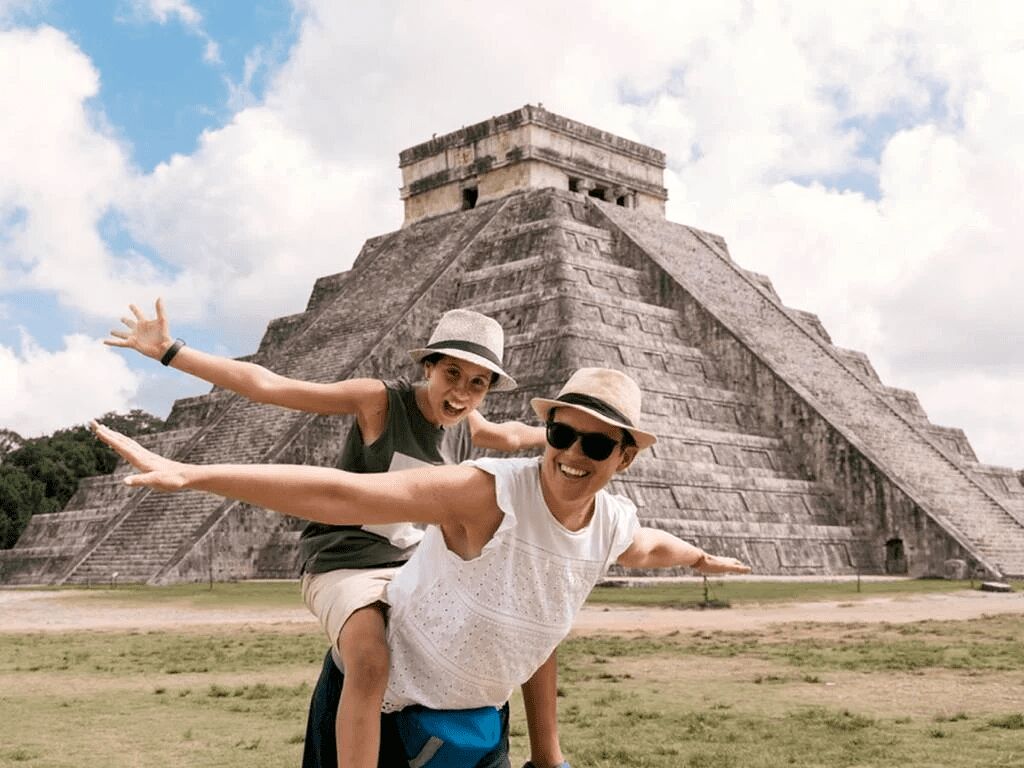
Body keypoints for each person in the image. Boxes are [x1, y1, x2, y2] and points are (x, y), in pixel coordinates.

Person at [91, 367, 751, 767]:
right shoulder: (485, 491)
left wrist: (698, 557)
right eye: (561, 433)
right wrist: (196, 474)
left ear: (625, 458)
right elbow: (344, 495)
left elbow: (646, 547)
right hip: (388, 714)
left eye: (598, 443)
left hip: (479, 725)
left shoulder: (610, 521)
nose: (574, 453)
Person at [105, 300, 564, 768]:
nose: (461, 393)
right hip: (346, 562)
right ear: (429, 366)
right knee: (369, 661)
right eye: (451, 373)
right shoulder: (381, 402)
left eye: (477, 384)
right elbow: (270, 387)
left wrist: (563, 438)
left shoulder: (467, 426)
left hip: (414, 568)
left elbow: (509, 436)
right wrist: (170, 351)